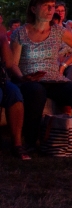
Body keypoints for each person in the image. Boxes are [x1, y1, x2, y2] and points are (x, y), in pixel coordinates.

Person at [6, 0, 72, 155]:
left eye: (52, 6)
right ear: (34, 9)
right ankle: (31, 141)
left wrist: (65, 64)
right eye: (46, 6)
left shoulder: (58, 31)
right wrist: (22, 77)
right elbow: (13, 63)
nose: (50, 9)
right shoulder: (21, 33)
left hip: (54, 78)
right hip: (29, 79)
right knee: (36, 91)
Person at [0, 27, 29, 159]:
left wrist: (3, 39)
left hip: (2, 79)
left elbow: (9, 63)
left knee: (14, 92)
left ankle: (17, 144)